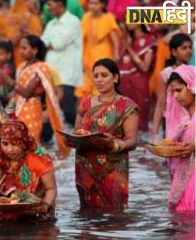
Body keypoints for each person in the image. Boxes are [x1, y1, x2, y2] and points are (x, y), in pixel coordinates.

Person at [66, 58, 139, 211]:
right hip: (85, 166)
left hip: (113, 168)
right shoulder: (85, 103)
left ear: (116, 78)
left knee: (114, 217)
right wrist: (71, 141)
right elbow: (77, 132)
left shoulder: (127, 106)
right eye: (96, 76)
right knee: (87, 216)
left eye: (104, 75)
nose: (99, 80)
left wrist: (114, 144)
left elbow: (132, 140)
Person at [0, 120, 57, 221]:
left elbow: (51, 188)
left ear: (24, 142)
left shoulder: (40, 158)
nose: (9, 149)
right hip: (4, 216)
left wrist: (45, 206)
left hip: (36, 215)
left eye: (15, 144)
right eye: (5, 144)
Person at [11, 35, 69, 158]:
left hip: (34, 109)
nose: (20, 51)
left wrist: (48, 112)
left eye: (24, 48)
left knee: (31, 143)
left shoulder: (43, 68)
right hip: (18, 109)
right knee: (17, 144)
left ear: (35, 50)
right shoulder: (21, 67)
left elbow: (57, 93)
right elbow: (18, 91)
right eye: (20, 48)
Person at [41, 0, 83, 126]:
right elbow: (42, 44)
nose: (48, 8)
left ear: (59, 4)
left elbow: (58, 44)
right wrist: (49, 44)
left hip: (67, 74)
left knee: (69, 112)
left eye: (50, 4)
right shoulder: (51, 23)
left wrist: (50, 43)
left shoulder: (73, 21)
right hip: (51, 72)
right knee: (53, 109)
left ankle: (75, 142)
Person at [75, 0, 120, 99]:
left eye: (96, 3)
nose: (92, 6)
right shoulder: (86, 17)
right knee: (85, 92)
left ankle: (101, 115)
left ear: (103, 4)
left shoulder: (109, 17)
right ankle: (87, 115)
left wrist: (116, 54)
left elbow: (115, 39)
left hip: (103, 55)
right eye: (90, 3)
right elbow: (81, 39)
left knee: (101, 87)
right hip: (87, 57)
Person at [163, 65, 195, 213]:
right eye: (172, 91)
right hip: (183, 177)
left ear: (192, 86)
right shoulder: (180, 115)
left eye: (179, 90)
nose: (175, 96)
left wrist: (193, 146)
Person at [151, 34, 193, 141]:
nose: (188, 51)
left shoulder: (193, 71)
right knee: (171, 152)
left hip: (192, 120)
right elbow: (160, 104)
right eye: (184, 48)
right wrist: (154, 134)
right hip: (172, 122)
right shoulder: (166, 73)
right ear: (174, 52)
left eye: (190, 47)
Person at [118, 24, 155, 132]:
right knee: (122, 120)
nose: (128, 23)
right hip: (123, 82)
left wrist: (129, 48)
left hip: (139, 83)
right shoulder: (124, 38)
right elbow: (118, 61)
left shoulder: (148, 39)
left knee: (140, 118)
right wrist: (125, 45)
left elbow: (144, 67)